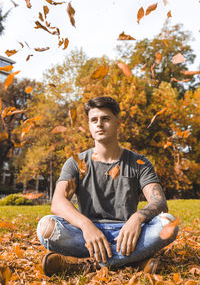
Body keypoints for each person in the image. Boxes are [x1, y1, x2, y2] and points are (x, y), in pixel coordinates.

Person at [37, 96, 178, 276]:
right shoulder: (76, 162)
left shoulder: (139, 162)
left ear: (117, 123)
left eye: (105, 119)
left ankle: (82, 264)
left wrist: (137, 218)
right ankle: (133, 262)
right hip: (86, 236)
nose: (99, 124)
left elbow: (159, 202)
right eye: (94, 120)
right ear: (89, 125)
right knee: (46, 227)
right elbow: (57, 202)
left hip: (127, 235)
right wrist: (86, 225)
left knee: (169, 224)